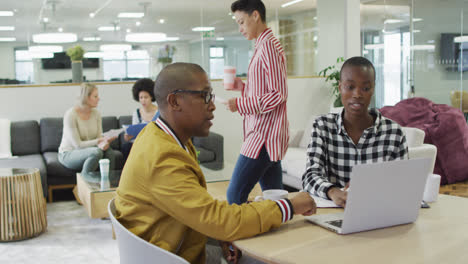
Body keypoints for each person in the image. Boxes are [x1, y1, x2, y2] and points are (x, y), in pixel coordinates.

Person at [115, 63, 317, 264]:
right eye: (204, 96)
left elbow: (199, 211)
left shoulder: (163, 138)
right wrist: (288, 205)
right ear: (175, 101)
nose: (212, 105)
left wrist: (219, 234)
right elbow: (221, 220)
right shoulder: (162, 156)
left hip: (174, 246)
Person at [302, 56, 409, 208]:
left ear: (373, 89)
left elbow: (403, 183)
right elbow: (311, 175)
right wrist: (332, 191)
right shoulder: (323, 126)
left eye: (365, 88)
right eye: (350, 87)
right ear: (340, 88)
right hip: (335, 211)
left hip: (379, 212)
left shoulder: (394, 133)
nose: (357, 94)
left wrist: (372, 184)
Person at [224, 0, 289, 205]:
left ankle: (239, 234)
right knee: (274, 198)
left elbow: (278, 94)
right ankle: (271, 232)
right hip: (266, 135)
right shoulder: (261, 45)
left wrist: (240, 104)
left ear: (255, 16)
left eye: (242, 22)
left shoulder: (268, 46)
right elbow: (265, 89)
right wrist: (242, 86)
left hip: (263, 136)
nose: (240, 28)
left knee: (234, 196)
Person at [58, 83, 117, 176]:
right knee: (96, 152)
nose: (99, 99)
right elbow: (78, 145)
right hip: (69, 153)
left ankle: (108, 185)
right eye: (95, 96)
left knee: (110, 152)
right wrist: (99, 141)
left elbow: (99, 136)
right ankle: (83, 186)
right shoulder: (70, 115)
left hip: (90, 149)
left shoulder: (96, 113)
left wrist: (104, 142)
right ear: (86, 97)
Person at [121, 78, 159, 160]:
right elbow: (135, 131)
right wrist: (128, 136)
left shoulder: (159, 112)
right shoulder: (137, 112)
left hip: (154, 142)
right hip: (139, 142)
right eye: (141, 97)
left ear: (151, 97)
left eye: (146, 97)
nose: (143, 100)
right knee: (126, 147)